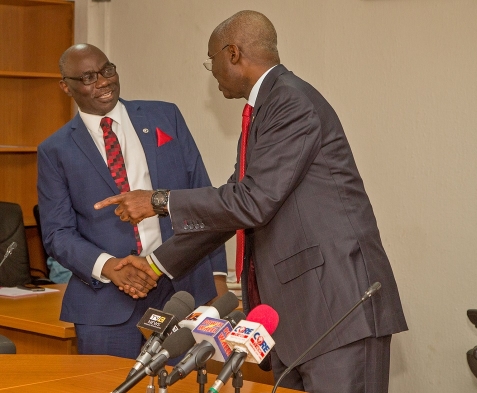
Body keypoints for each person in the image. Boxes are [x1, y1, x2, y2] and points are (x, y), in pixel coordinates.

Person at [95, 10, 408, 393]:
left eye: (212, 62)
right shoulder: (266, 110)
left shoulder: (291, 103)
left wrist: (157, 200)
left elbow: (252, 201)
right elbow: (233, 209)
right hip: (299, 317)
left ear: (233, 53)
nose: (211, 73)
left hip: (335, 311)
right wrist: (155, 266)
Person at [37, 43, 228, 359]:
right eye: (88, 77)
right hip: (105, 305)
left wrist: (217, 278)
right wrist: (110, 267)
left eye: (107, 70)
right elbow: (57, 234)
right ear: (65, 87)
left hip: (183, 290)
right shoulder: (55, 150)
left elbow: (204, 200)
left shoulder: (165, 117)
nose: (103, 82)